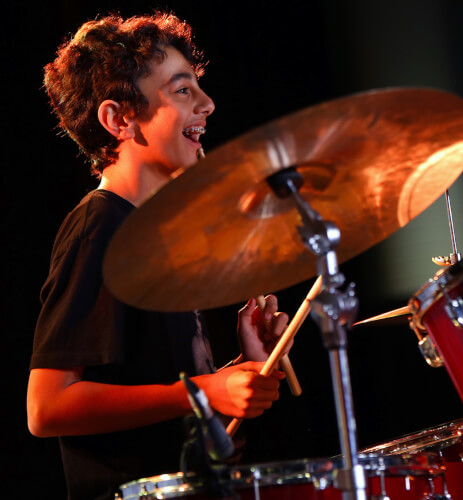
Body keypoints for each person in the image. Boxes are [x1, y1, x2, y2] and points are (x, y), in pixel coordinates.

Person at [27, 12, 290, 500]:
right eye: (183, 90)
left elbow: (163, 400)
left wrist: (235, 374)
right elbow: (46, 406)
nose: (208, 104)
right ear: (119, 119)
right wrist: (202, 392)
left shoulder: (155, 234)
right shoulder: (98, 226)